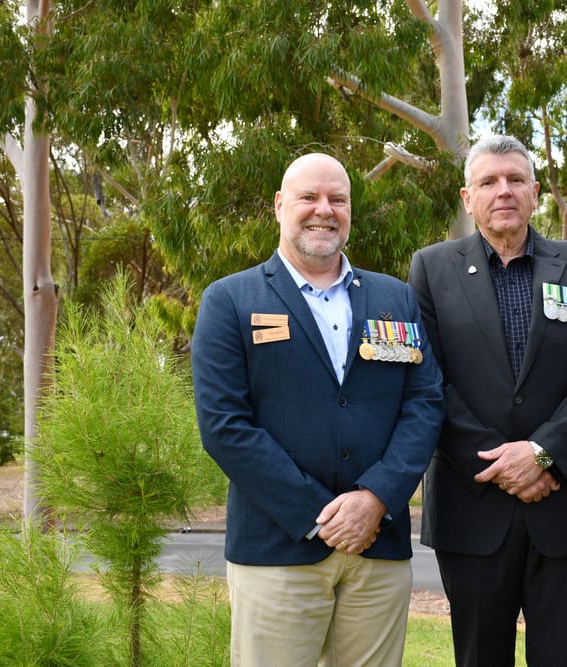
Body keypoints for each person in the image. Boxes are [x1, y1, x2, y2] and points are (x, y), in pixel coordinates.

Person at [191, 153, 446, 666]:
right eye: (308, 197)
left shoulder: (396, 299)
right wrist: (318, 514)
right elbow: (224, 426)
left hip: (378, 547)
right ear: (279, 206)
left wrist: (375, 499)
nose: (323, 210)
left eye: (337, 199)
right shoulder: (230, 300)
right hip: (278, 550)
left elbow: (424, 403)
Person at [408, 134, 567, 666]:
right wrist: (501, 464)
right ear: (468, 198)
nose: (503, 191)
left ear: (535, 192)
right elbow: (426, 378)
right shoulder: (431, 269)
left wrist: (543, 454)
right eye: (488, 181)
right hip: (471, 504)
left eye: (515, 179)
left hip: (562, 502)